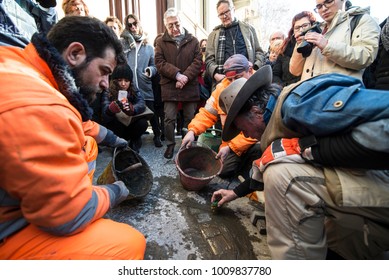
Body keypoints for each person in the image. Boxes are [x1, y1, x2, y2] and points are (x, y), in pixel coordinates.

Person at [0, 16, 146, 259]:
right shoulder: (42, 107)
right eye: (104, 72)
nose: (104, 84)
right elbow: (68, 217)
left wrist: (115, 140)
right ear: (75, 54)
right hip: (8, 229)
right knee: (129, 244)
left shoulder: (21, 65)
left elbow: (82, 125)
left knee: (87, 144)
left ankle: (74, 190)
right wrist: (116, 191)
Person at [212, 65, 389, 259]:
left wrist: (309, 149)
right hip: (368, 193)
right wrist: (235, 193)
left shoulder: (298, 104)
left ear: (256, 112)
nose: (244, 134)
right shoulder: (277, 122)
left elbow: (382, 126)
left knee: (281, 175)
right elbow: (268, 162)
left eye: (241, 127)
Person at [181, 54, 260, 180]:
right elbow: (207, 113)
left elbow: (259, 130)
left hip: (255, 139)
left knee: (258, 150)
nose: (234, 83)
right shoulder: (221, 89)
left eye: (238, 77)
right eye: (230, 79)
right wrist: (192, 131)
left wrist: (230, 147)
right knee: (222, 170)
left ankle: (251, 171)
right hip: (231, 143)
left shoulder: (261, 88)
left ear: (249, 71)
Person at [289, 0, 380, 82]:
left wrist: (326, 46)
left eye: (328, 1)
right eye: (319, 6)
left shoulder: (362, 20)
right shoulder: (316, 28)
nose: (324, 9)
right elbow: (295, 71)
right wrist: (300, 45)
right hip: (308, 94)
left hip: (340, 94)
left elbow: (365, 57)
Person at [154, 8, 202, 159]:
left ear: (181, 22)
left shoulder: (193, 41)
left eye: (176, 24)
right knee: (169, 118)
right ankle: (170, 144)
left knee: (190, 117)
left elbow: (198, 61)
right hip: (169, 85)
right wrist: (176, 75)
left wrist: (185, 77)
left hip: (189, 85)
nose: (174, 28)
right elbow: (159, 62)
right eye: (170, 25)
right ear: (165, 26)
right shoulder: (161, 42)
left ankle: (187, 144)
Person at [122, 14, 162, 148]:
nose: (133, 27)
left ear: (139, 25)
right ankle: (136, 139)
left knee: (151, 113)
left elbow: (156, 66)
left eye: (135, 24)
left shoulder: (149, 47)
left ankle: (157, 135)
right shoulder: (124, 44)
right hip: (130, 86)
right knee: (133, 114)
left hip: (145, 85)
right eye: (129, 25)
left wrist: (149, 71)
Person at [205, 0, 265, 90]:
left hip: (247, 80)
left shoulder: (249, 30)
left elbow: (259, 52)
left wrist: (254, 68)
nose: (224, 16)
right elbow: (209, 60)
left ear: (233, 10)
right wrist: (215, 74)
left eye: (227, 12)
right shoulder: (213, 35)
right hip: (224, 82)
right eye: (221, 14)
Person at [102, 64, 150, 153]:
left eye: (126, 81)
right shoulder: (108, 91)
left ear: (130, 82)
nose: (123, 84)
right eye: (120, 80)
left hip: (130, 124)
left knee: (143, 123)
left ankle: (134, 140)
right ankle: (117, 144)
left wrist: (133, 109)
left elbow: (141, 103)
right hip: (116, 129)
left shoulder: (134, 89)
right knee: (113, 123)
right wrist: (110, 110)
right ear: (114, 80)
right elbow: (104, 113)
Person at [273, 11, 316, 87]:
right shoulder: (285, 48)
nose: (301, 30)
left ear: (312, 25)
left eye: (305, 25)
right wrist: (283, 88)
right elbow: (275, 74)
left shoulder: (318, 43)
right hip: (287, 89)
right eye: (297, 28)